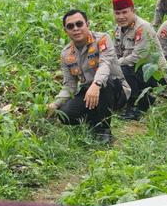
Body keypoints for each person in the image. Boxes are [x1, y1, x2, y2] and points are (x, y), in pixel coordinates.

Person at [48, 9, 131, 143]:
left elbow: (105, 65)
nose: (75, 29)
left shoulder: (102, 39)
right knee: (64, 114)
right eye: (70, 26)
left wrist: (96, 84)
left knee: (105, 84)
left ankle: (104, 131)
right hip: (89, 93)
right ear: (65, 31)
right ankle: (95, 121)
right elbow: (69, 86)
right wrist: (54, 104)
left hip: (115, 90)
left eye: (79, 24)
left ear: (87, 24)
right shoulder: (66, 54)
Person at [111, 0, 167, 120]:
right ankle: (142, 99)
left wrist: (115, 64)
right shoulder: (118, 29)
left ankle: (134, 108)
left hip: (156, 74)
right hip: (139, 72)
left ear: (133, 11)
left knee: (124, 68)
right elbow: (115, 52)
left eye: (125, 12)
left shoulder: (142, 27)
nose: (121, 16)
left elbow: (137, 57)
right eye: (117, 13)